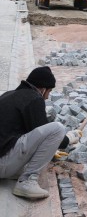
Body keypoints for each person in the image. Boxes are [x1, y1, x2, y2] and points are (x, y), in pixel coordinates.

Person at [0, 66, 82, 200]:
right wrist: (69, 138)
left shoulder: (9, 95)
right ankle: (27, 181)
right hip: (3, 163)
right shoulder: (34, 98)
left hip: (3, 158)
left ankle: (16, 173)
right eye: (49, 91)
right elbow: (45, 130)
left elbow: (32, 133)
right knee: (58, 128)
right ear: (42, 89)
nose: (47, 97)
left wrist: (50, 150)